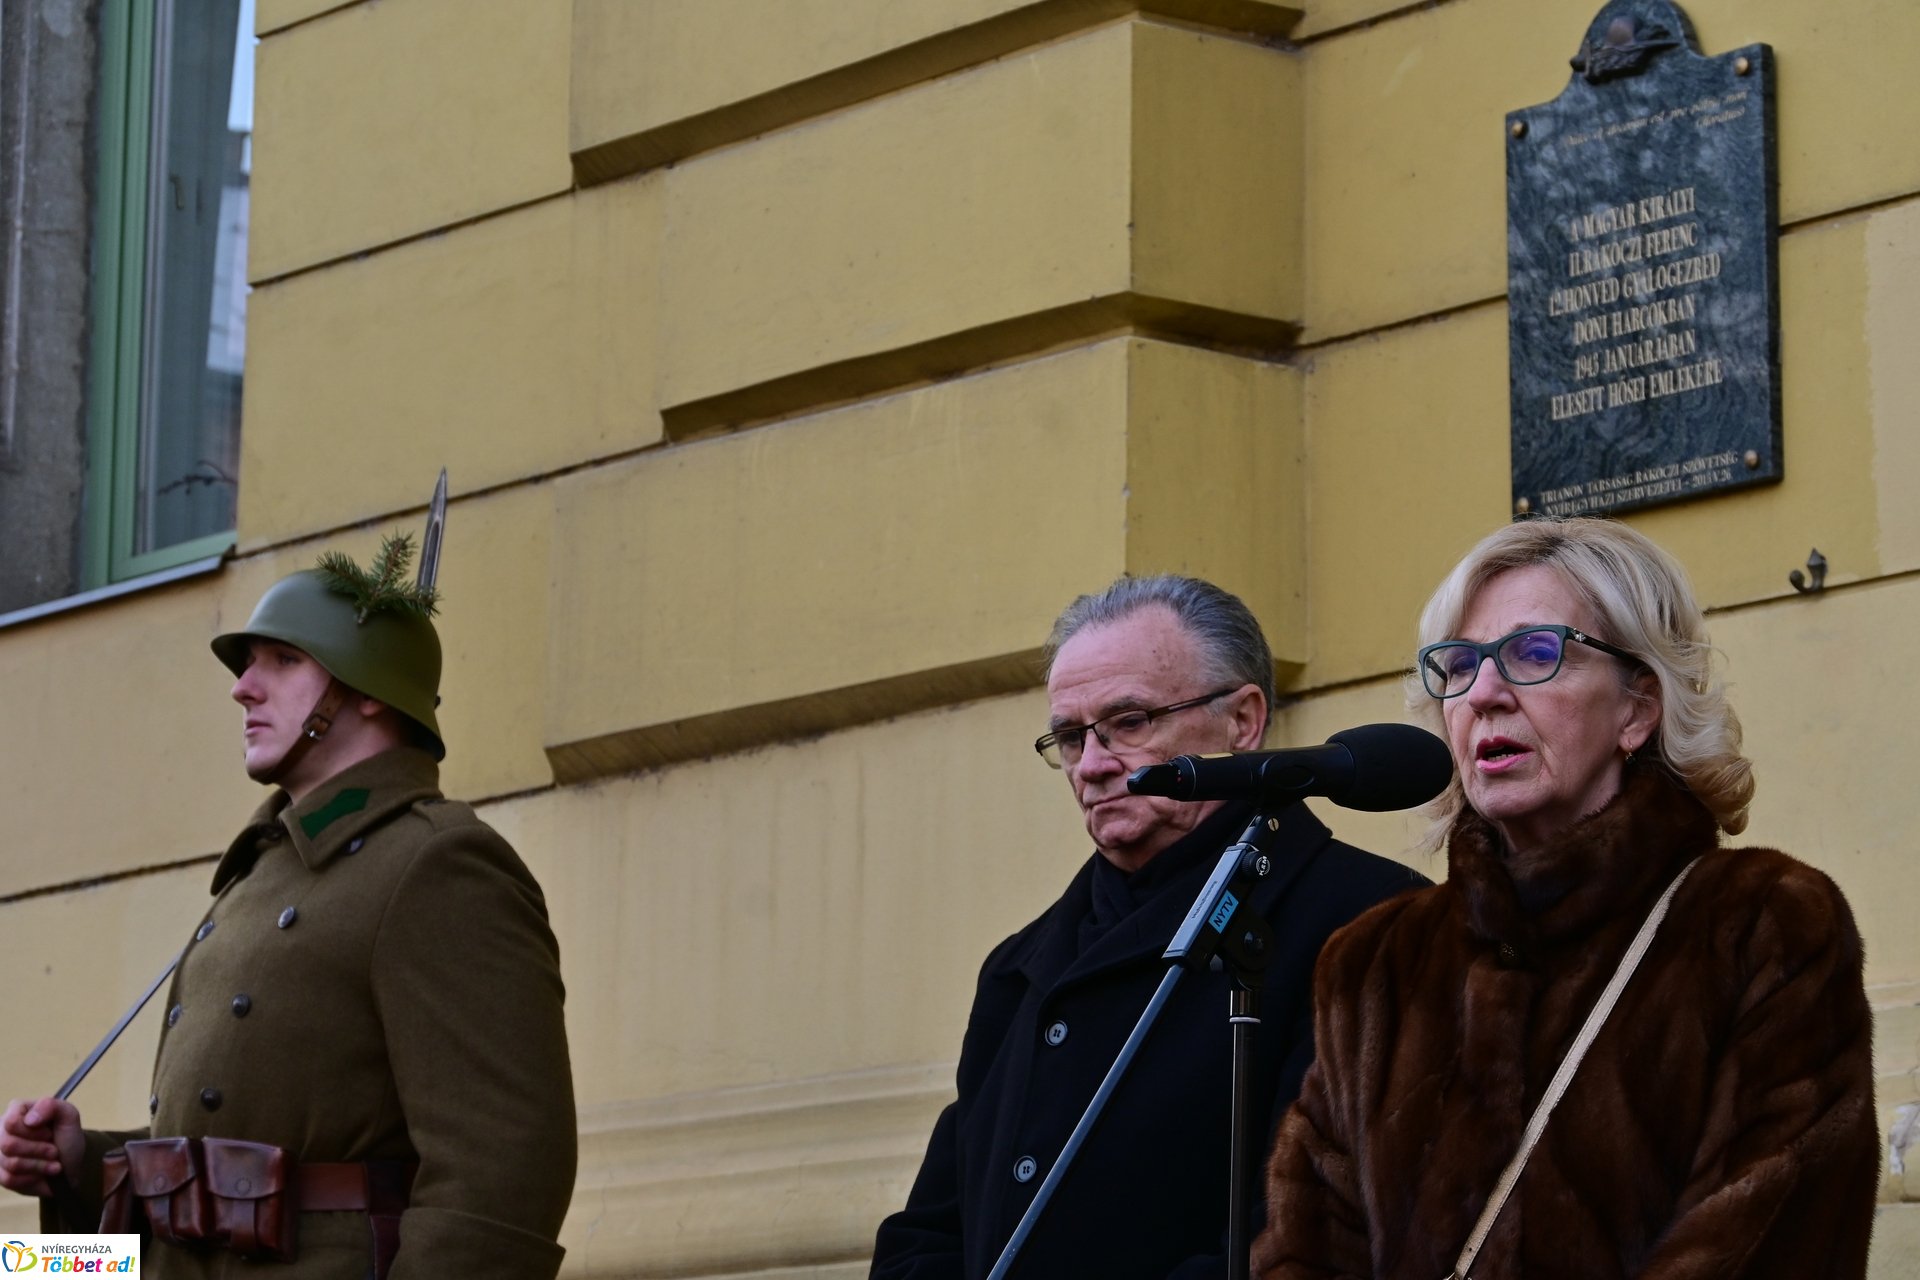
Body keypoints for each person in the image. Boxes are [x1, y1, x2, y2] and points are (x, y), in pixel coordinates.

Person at [1254, 517, 1878, 1280]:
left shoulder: (1764, 926)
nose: (1482, 694)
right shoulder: (1374, 962)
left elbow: (1773, 1237)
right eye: (1458, 665)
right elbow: (1305, 1249)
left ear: (1638, 709)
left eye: (1534, 652)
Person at [0, 540, 577, 1280]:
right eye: (248, 665)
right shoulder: (258, 872)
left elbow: (502, 1169)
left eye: (282, 660)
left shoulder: (438, 864)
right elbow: (223, 1172)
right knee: (16, 1269)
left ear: (366, 689)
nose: (244, 687)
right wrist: (82, 1164)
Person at [871, 575, 1427, 1280]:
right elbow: (933, 1232)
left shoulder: (1374, 922)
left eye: (1129, 722)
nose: (1094, 766)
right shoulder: (1018, 969)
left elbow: (1318, 1235)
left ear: (1242, 720)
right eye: (1071, 738)